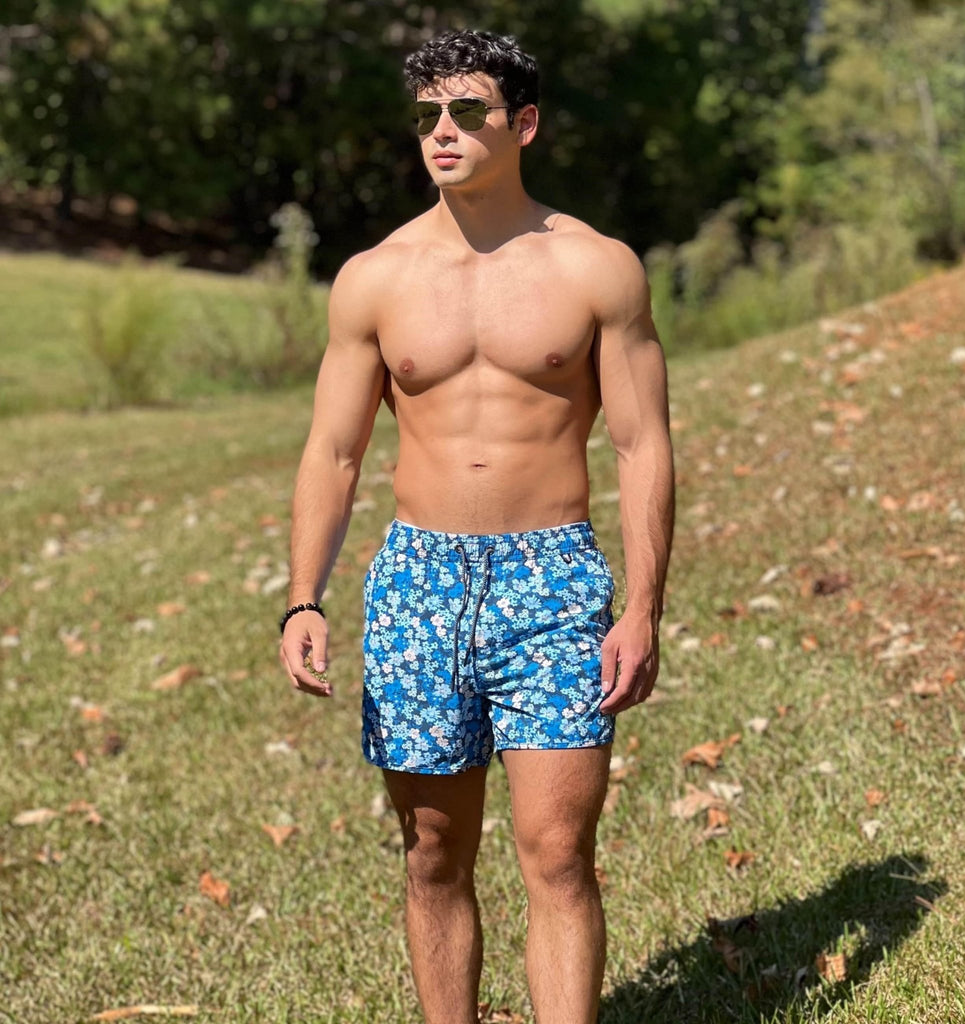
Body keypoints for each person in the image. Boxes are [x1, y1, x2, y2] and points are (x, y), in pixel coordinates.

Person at [278, 28, 674, 1024]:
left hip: (554, 580)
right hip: (420, 579)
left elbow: (641, 446)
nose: (442, 132)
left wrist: (642, 608)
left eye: (466, 111)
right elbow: (333, 451)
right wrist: (302, 598)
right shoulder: (375, 277)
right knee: (433, 852)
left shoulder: (597, 268)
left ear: (522, 123)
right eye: (427, 116)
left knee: (558, 853)